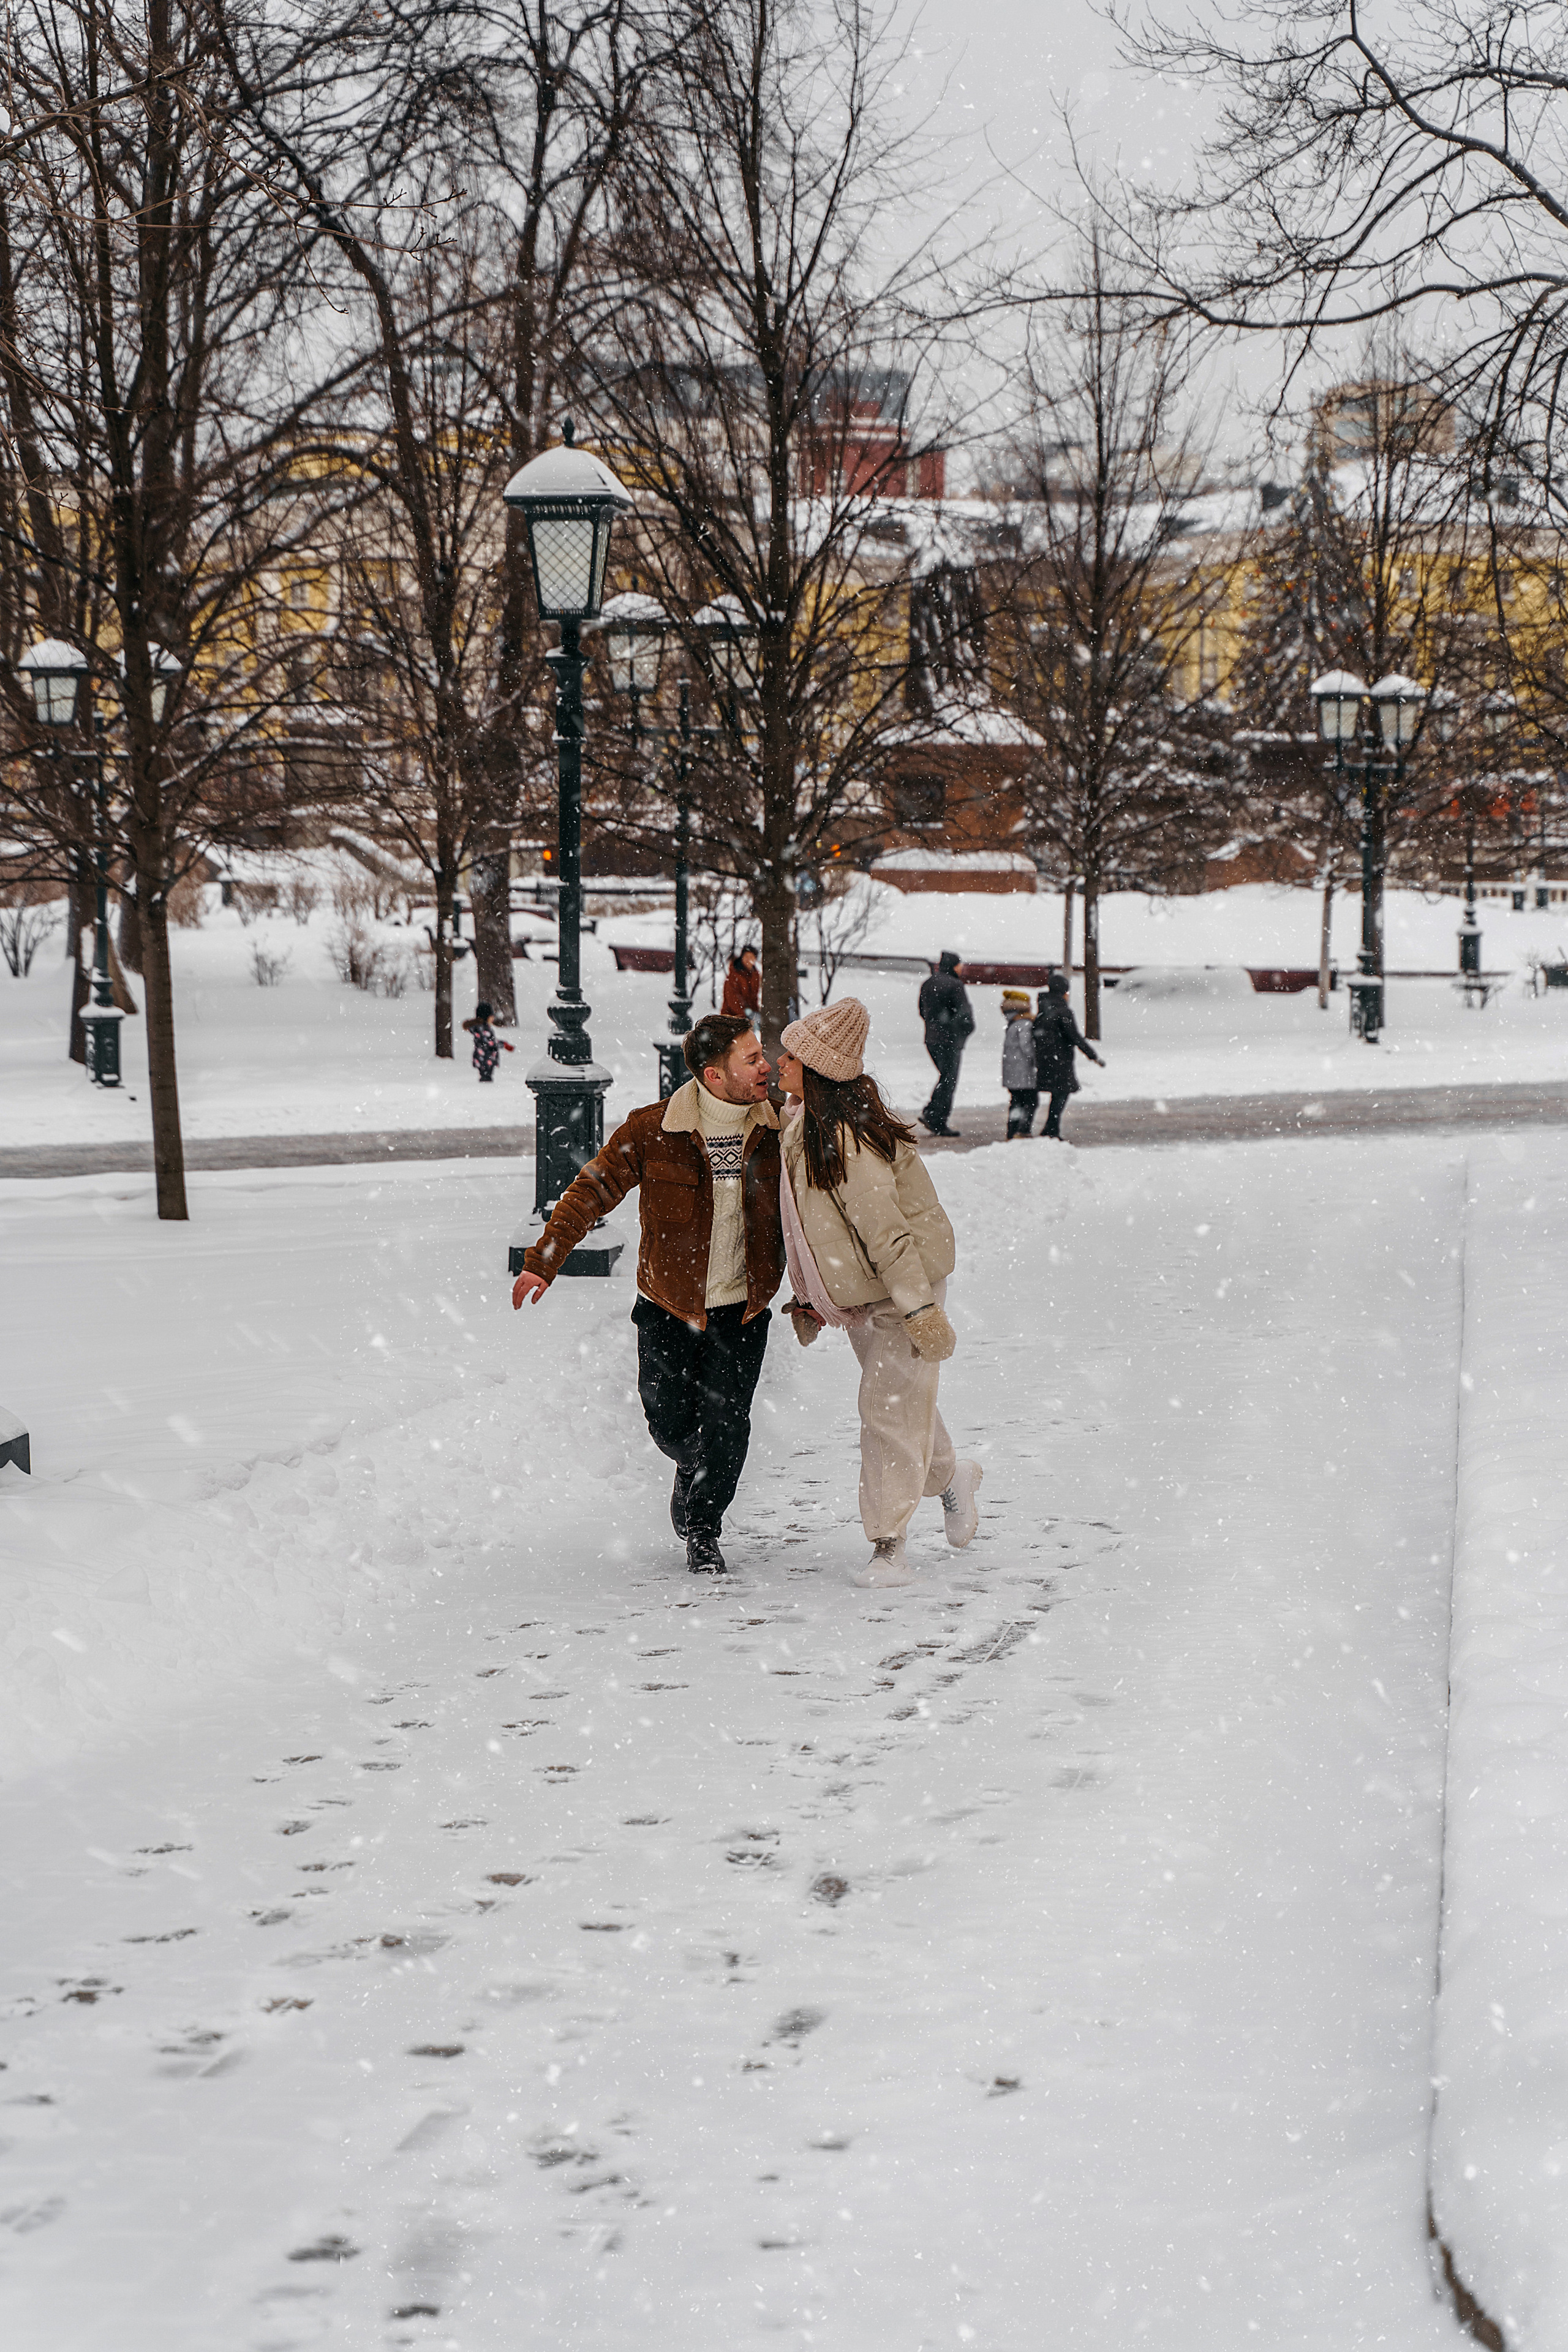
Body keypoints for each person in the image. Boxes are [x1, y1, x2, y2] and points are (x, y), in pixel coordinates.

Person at [511, 1010, 784, 1575]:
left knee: (728, 1427)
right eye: (752, 1058)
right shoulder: (654, 1129)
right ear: (714, 1075)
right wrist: (546, 1257)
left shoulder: (779, 1128)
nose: (767, 1065)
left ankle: (705, 1529)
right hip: (669, 1305)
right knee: (669, 1423)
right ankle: (691, 1465)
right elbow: (594, 1188)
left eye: (763, 1055)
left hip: (742, 1309)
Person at [775, 997, 983, 1590]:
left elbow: (885, 1232)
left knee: (885, 1409)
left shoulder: (845, 1139)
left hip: (898, 1283)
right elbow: (804, 1229)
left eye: (791, 1054)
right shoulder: (801, 1125)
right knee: (900, 1401)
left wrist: (917, 1307)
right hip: (860, 1288)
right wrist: (809, 1297)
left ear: (815, 1070)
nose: (779, 1061)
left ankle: (887, 1546)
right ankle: (951, 1478)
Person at [1033, 972, 1104, 1140]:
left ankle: (1050, 1129)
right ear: (1064, 992)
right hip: (1060, 1060)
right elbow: (1074, 1036)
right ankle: (1051, 1130)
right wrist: (1092, 1055)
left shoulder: (1043, 1009)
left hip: (1045, 1058)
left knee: (1058, 1094)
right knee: (1061, 1093)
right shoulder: (1062, 1011)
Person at [916, 951, 973, 1137]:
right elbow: (964, 1014)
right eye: (959, 964)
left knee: (945, 1077)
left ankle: (933, 1113)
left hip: (932, 1039)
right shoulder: (955, 985)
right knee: (949, 1079)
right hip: (950, 1039)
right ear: (953, 966)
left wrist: (934, 1025)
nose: (962, 967)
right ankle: (937, 1119)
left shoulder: (928, 983)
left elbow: (922, 1011)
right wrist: (964, 1029)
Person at [1000, 988, 1037, 1138]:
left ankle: (1012, 1130)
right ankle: (1023, 1130)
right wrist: (1035, 1060)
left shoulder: (1012, 1023)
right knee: (1031, 1101)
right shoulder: (1024, 1024)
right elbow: (1027, 1046)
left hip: (1012, 1071)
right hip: (1023, 1071)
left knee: (1016, 1101)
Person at [462, 1001, 514, 1083]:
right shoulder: (482, 1028)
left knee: (486, 1076)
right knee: (486, 1078)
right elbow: (488, 1043)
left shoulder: (482, 1028)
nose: (493, 1018)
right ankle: (486, 1090)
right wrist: (503, 1045)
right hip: (485, 1058)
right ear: (486, 1016)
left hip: (484, 1057)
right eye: (491, 1016)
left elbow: (489, 1041)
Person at [720, 944, 761, 1020]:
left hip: (748, 1018)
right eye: (746, 957)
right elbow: (732, 999)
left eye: (752, 957)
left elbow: (754, 997)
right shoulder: (734, 975)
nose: (748, 960)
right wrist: (744, 1015)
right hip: (731, 1017)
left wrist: (754, 1013)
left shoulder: (755, 975)